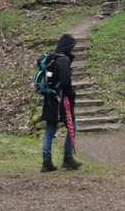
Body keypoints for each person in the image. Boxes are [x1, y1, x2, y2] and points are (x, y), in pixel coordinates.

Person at [41, 33, 81, 171]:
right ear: (68, 46)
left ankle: (46, 162)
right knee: (72, 127)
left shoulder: (50, 58)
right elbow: (65, 82)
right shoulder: (63, 60)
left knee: (50, 130)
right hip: (61, 101)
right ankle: (67, 159)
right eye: (72, 46)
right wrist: (71, 95)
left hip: (49, 99)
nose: (73, 49)